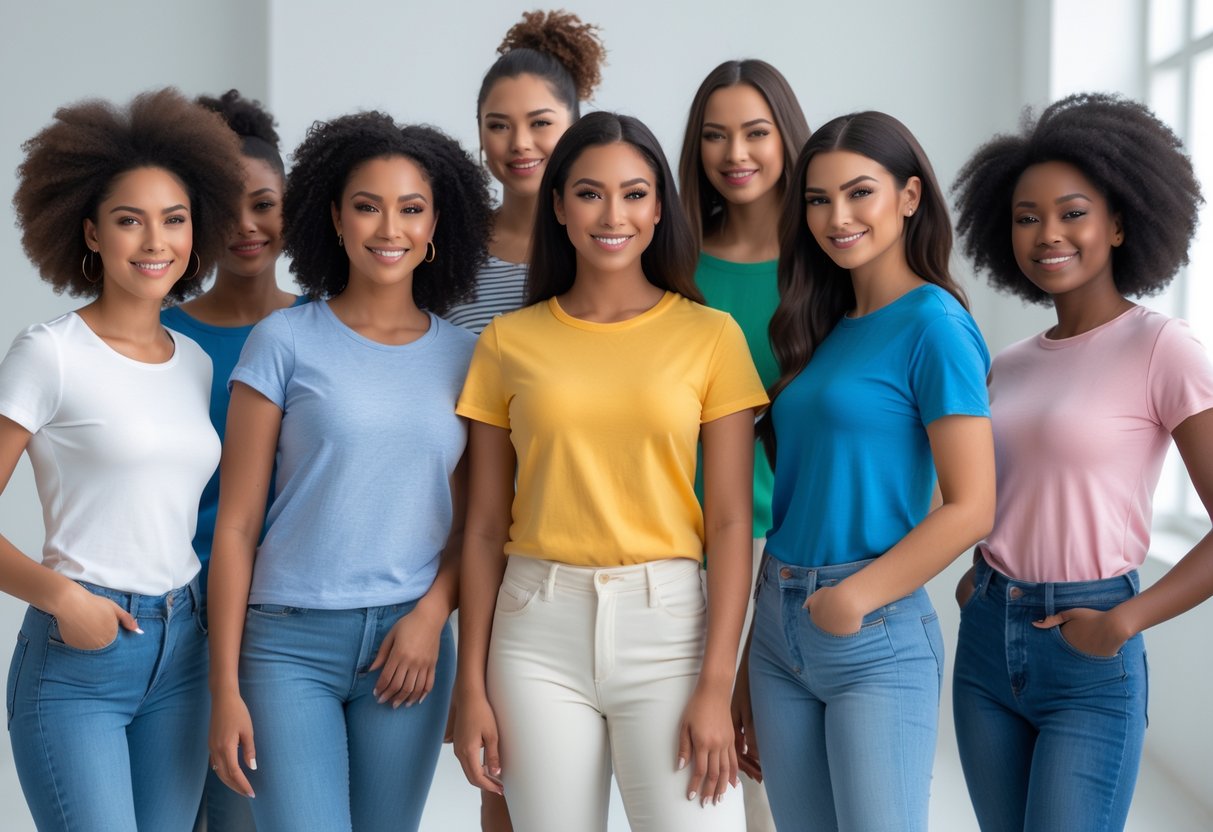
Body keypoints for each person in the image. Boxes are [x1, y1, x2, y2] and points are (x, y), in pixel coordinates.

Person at [453, 111, 766, 832]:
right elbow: (480, 528)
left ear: (659, 207)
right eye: (590, 194)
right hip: (535, 628)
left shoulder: (709, 336)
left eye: (633, 193)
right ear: (558, 206)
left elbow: (728, 522)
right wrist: (470, 684)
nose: (612, 215)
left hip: (671, 628)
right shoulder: (508, 341)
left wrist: (715, 685)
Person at [206, 112, 492, 831]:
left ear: (436, 227)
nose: (387, 228)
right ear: (333, 219)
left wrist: (431, 617)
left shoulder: (466, 359)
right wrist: (223, 686)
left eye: (410, 208)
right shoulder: (281, 342)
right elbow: (237, 527)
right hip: (285, 645)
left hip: (410, 647)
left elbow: (477, 524)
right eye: (367, 206)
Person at [951, 92, 1213, 832]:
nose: (1046, 235)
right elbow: (999, 489)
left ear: (1120, 222)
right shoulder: (1007, 364)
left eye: (1072, 212)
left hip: (1088, 651)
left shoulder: (1163, 348)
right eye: (1025, 217)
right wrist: (980, 575)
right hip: (985, 648)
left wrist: (1122, 621)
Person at [742, 111, 995, 831]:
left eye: (859, 194)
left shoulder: (934, 325)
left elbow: (971, 504)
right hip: (777, 621)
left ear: (909, 196)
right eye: (817, 200)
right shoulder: (818, 326)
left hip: (872, 632)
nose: (836, 217)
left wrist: (854, 598)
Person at [1, 88, 243, 830]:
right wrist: (63, 598)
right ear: (90, 233)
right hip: (82, 658)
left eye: (173, 220)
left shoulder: (194, 362)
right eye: (128, 221)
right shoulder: (51, 354)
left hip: (184, 651)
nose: (154, 242)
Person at [157, 88, 299, 832]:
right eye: (225, 208)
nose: (246, 227)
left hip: (292, 630)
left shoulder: (323, 333)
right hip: (182, 625)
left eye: (265, 204)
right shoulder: (160, 340)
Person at [677, 60, 809, 831]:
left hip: (787, 550)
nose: (735, 154)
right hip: (667, 549)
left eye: (755, 132)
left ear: (785, 138)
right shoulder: (673, 263)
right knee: (690, 787)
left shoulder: (826, 266)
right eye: (714, 136)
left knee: (769, 793)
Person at [445, 8, 606, 334]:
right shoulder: (448, 249)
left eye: (540, 123)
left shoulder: (606, 241)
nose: (520, 143)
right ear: (480, 132)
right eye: (499, 125)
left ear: (575, 126)